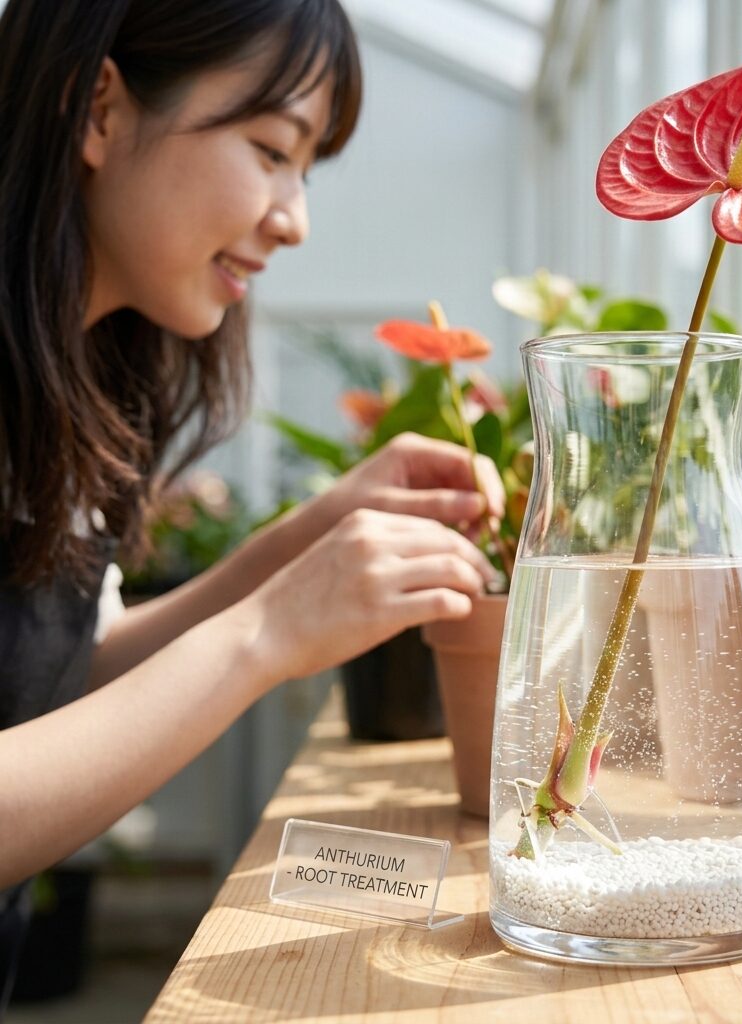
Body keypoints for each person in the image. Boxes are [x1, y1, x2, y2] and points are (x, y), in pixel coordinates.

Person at [0, 0, 503, 1006]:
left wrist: (306, 539)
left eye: (307, 168)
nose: (296, 217)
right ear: (97, 108)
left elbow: (63, 678)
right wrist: (269, 629)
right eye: (272, 148)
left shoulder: (78, 383)